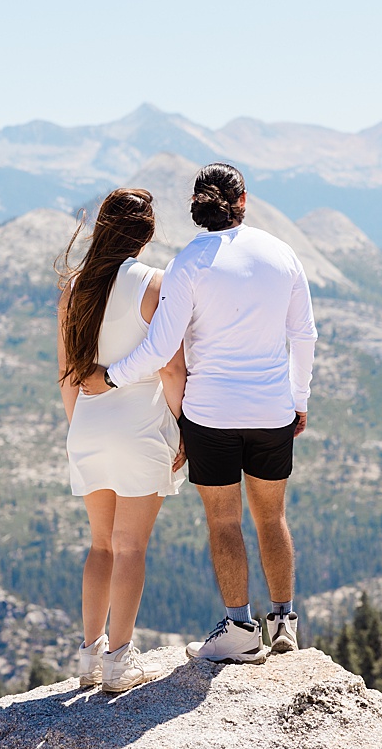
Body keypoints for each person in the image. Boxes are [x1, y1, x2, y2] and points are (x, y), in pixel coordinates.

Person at [93, 163, 317, 665]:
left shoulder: (187, 263)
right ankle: (284, 621)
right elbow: (304, 336)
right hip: (271, 409)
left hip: (211, 414)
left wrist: (109, 377)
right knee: (272, 516)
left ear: (196, 206)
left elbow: (160, 348)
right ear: (243, 201)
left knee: (224, 522)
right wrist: (298, 399)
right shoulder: (281, 254)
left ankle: (239, 627)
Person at [58, 188, 188, 693]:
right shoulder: (154, 285)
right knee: (131, 547)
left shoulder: (76, 288)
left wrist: (79, 430)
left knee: (100, 546)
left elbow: (68, 374)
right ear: (147, 233)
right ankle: (119, 663)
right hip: (140, 429)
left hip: (88, 425)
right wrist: (184, 430)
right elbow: (173, 368)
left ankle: (89, 659)